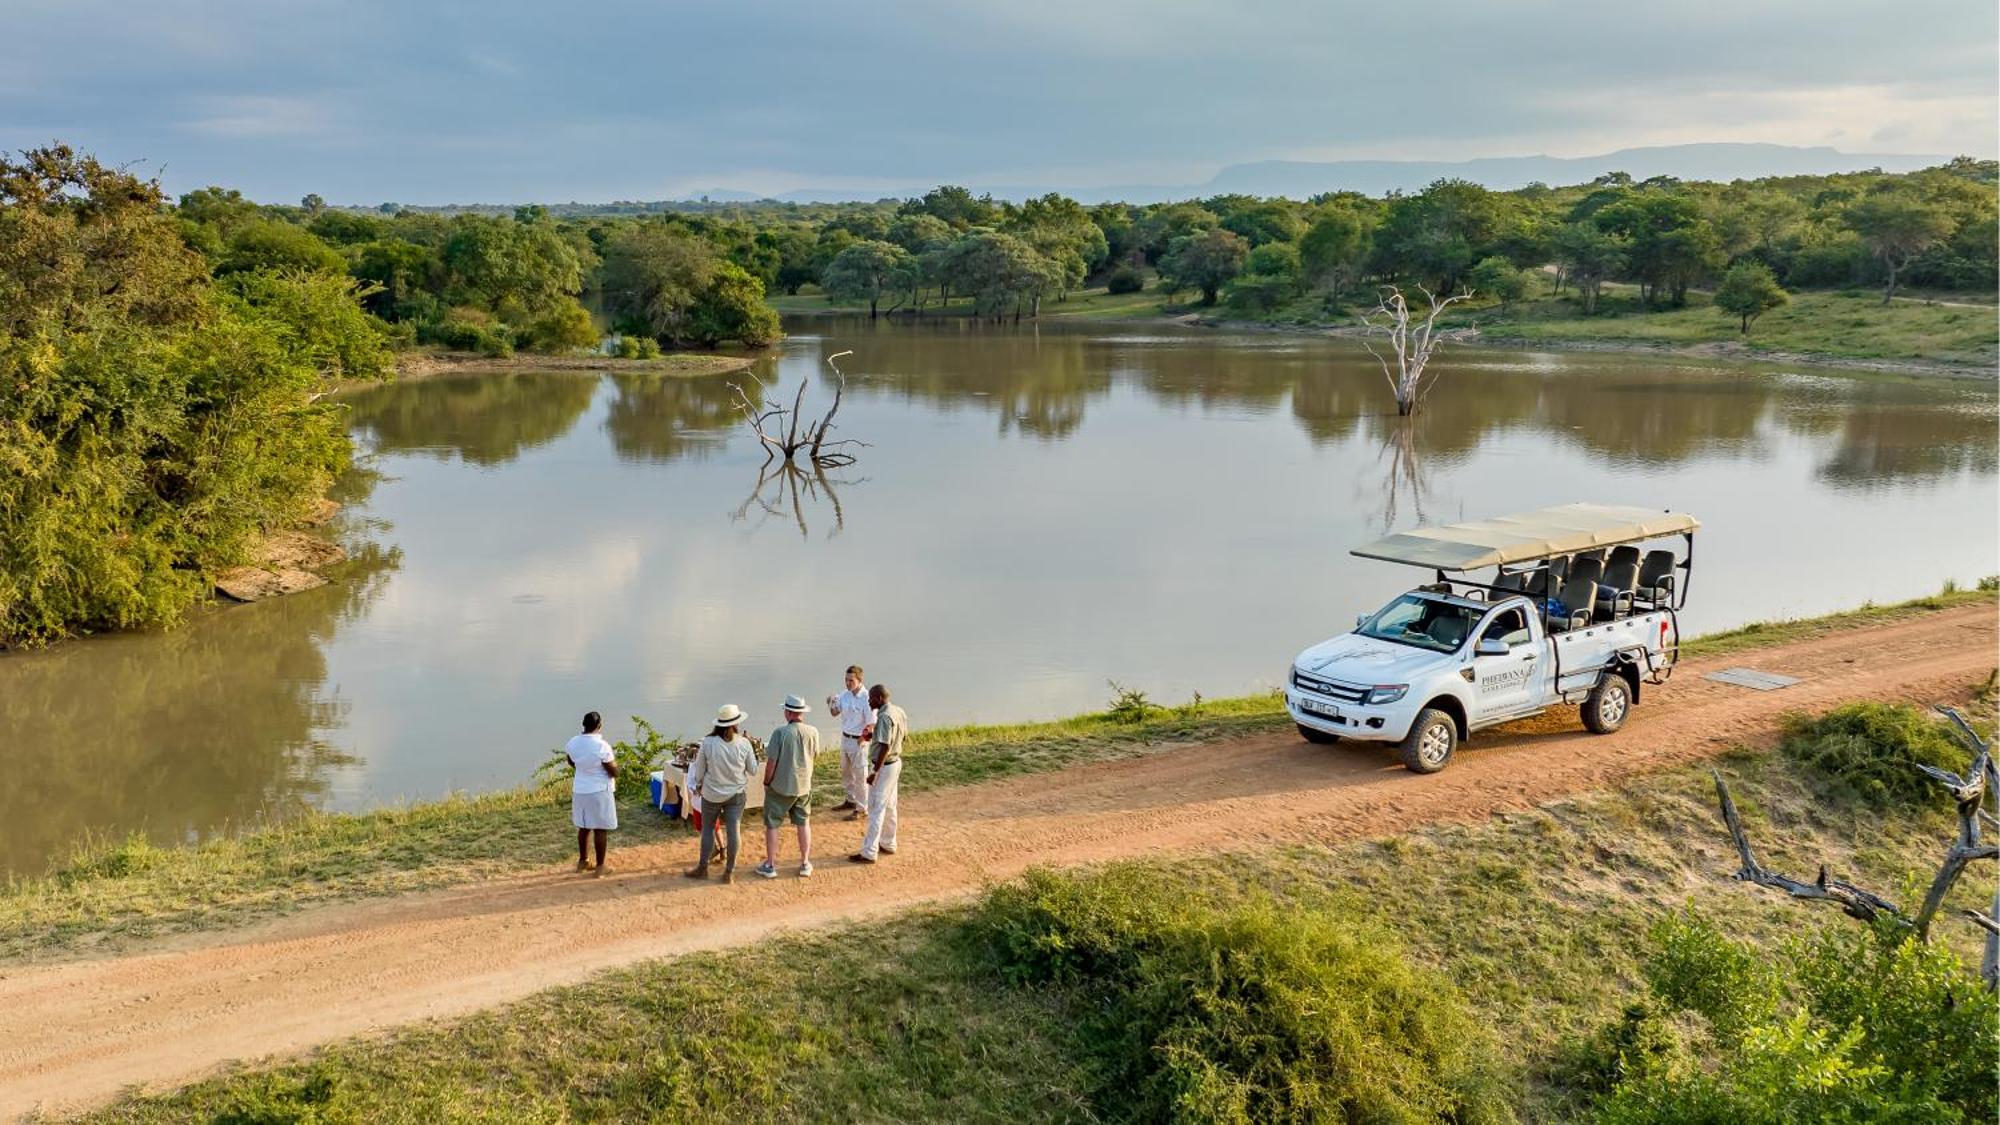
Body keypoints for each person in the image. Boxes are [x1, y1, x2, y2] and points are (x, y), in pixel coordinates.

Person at [685, 704, 758, 884]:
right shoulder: (744, 743)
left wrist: (700, 785)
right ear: (736, 724)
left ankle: (703, 868)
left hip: (711, 794)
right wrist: (752, 750)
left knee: (708, 829)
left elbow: (700, 771)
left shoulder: (708, 743)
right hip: (736, 794)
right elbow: (753, 770)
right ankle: (729, 872)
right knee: (734, 831)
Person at [756, 695, 820, 879]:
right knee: (803, 823)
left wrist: (767, 782)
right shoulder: (813, 731)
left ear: (789, 712)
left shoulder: (780, 733)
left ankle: (770, 864)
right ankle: (805, 862)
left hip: (780, 786)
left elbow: (772, 762)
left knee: (772, 825)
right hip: (803, 785)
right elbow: (813, 755)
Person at [850, 684, 906, 864]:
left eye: (871, 698)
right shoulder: (899, 711)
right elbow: (901, 737)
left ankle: (869, 852)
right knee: (890, 806)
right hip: (896, 763)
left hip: (884, 766)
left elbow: (885, 746)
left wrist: (875, 771)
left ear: (879, 699)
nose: (868, 700)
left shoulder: (883, 717)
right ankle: (889, 843)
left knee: (876, 808)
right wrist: (872, 735)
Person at [564, 711, 619, 876]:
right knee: (600, 828)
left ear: (583, 725)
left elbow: (571, 761)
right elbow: (613, 772)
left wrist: (584, 769)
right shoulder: (602, 746)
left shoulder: (573, 743)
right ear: (599, 726)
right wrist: (616, 767)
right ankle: (601, 867)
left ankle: (583, 861)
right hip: (599, 790)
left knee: (584, 826)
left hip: (580, 789)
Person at [826, 664, 874, 820]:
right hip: (845, 738)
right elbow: (834, 713)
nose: (847, 683)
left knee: (860, 775)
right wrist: (830, 703)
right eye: (846, 680)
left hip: (858, 741)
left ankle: (862, 808)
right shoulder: (844, 695)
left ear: (859, 680)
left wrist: (863, 739)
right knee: (846, 772)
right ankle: (850, 800)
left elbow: (871, 723)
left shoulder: (867, 698)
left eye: (851, 680)